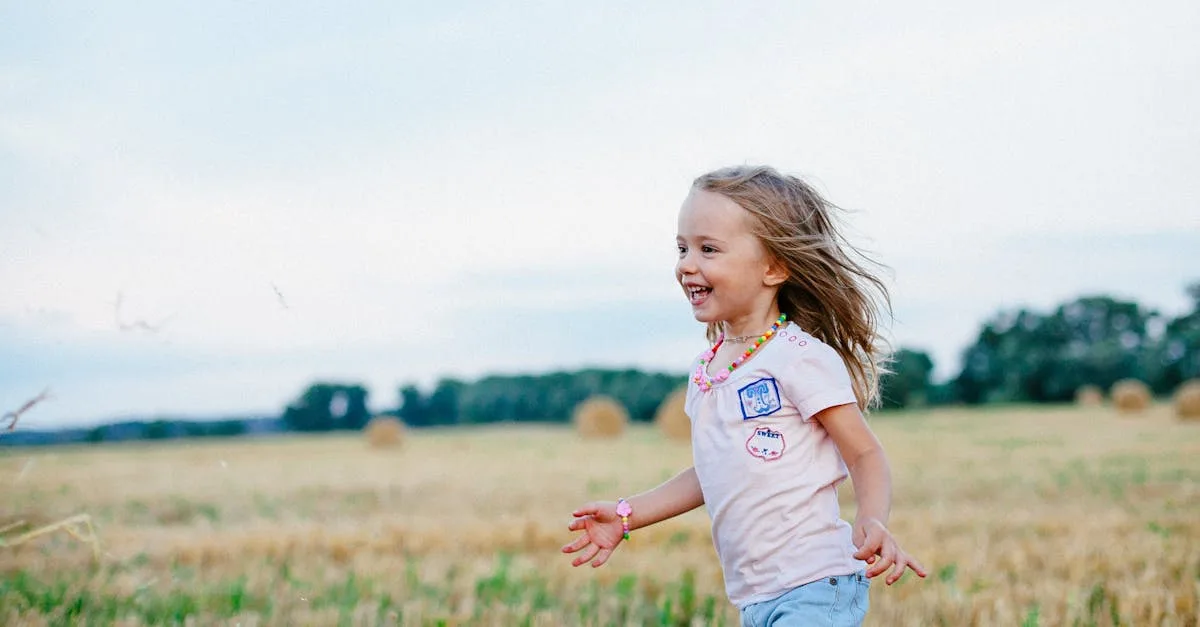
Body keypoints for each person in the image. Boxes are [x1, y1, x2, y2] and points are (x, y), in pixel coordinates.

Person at [561, 165, 926, 625]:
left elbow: (865, 453)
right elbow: (711, 470)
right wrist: (629, 514)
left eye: (708, 249)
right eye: (682, 248)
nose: (686, 264)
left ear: (774, 267)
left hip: (815, 585)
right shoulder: (707, 371)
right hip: (755, 598)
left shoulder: (799, 358)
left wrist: (873, 519)